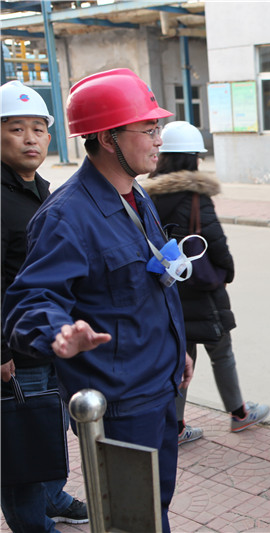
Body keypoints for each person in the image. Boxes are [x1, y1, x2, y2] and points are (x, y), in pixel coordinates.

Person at [2, 68, 192, 533]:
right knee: (133, 519)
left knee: (156, 505)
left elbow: (150, 282)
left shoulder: (135, 195)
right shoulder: (68, 215)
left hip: (160, 384)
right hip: (121, 402)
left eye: (158, 128)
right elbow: (27, 302)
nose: (158, 139)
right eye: (148, 129)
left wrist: (177, 348)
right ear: (108, 138)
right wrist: (59, 333)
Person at [141, 121, 270, 444]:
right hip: (202, 288)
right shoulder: (196, 197)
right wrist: (226, 272)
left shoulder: (146, 195)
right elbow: (216, 242)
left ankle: (176, 425)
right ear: (192, 159)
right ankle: (239, 413)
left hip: (168, 290)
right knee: (221, 349)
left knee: (181, 357)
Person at [0, 80, 89, 530]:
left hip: (47, 341)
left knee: (49, 428)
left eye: (38, 129)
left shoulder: (42, 190)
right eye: (17, 129)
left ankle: (52, 497)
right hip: (15, 351)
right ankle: (33, 523)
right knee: (20, 443)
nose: (30, 139)